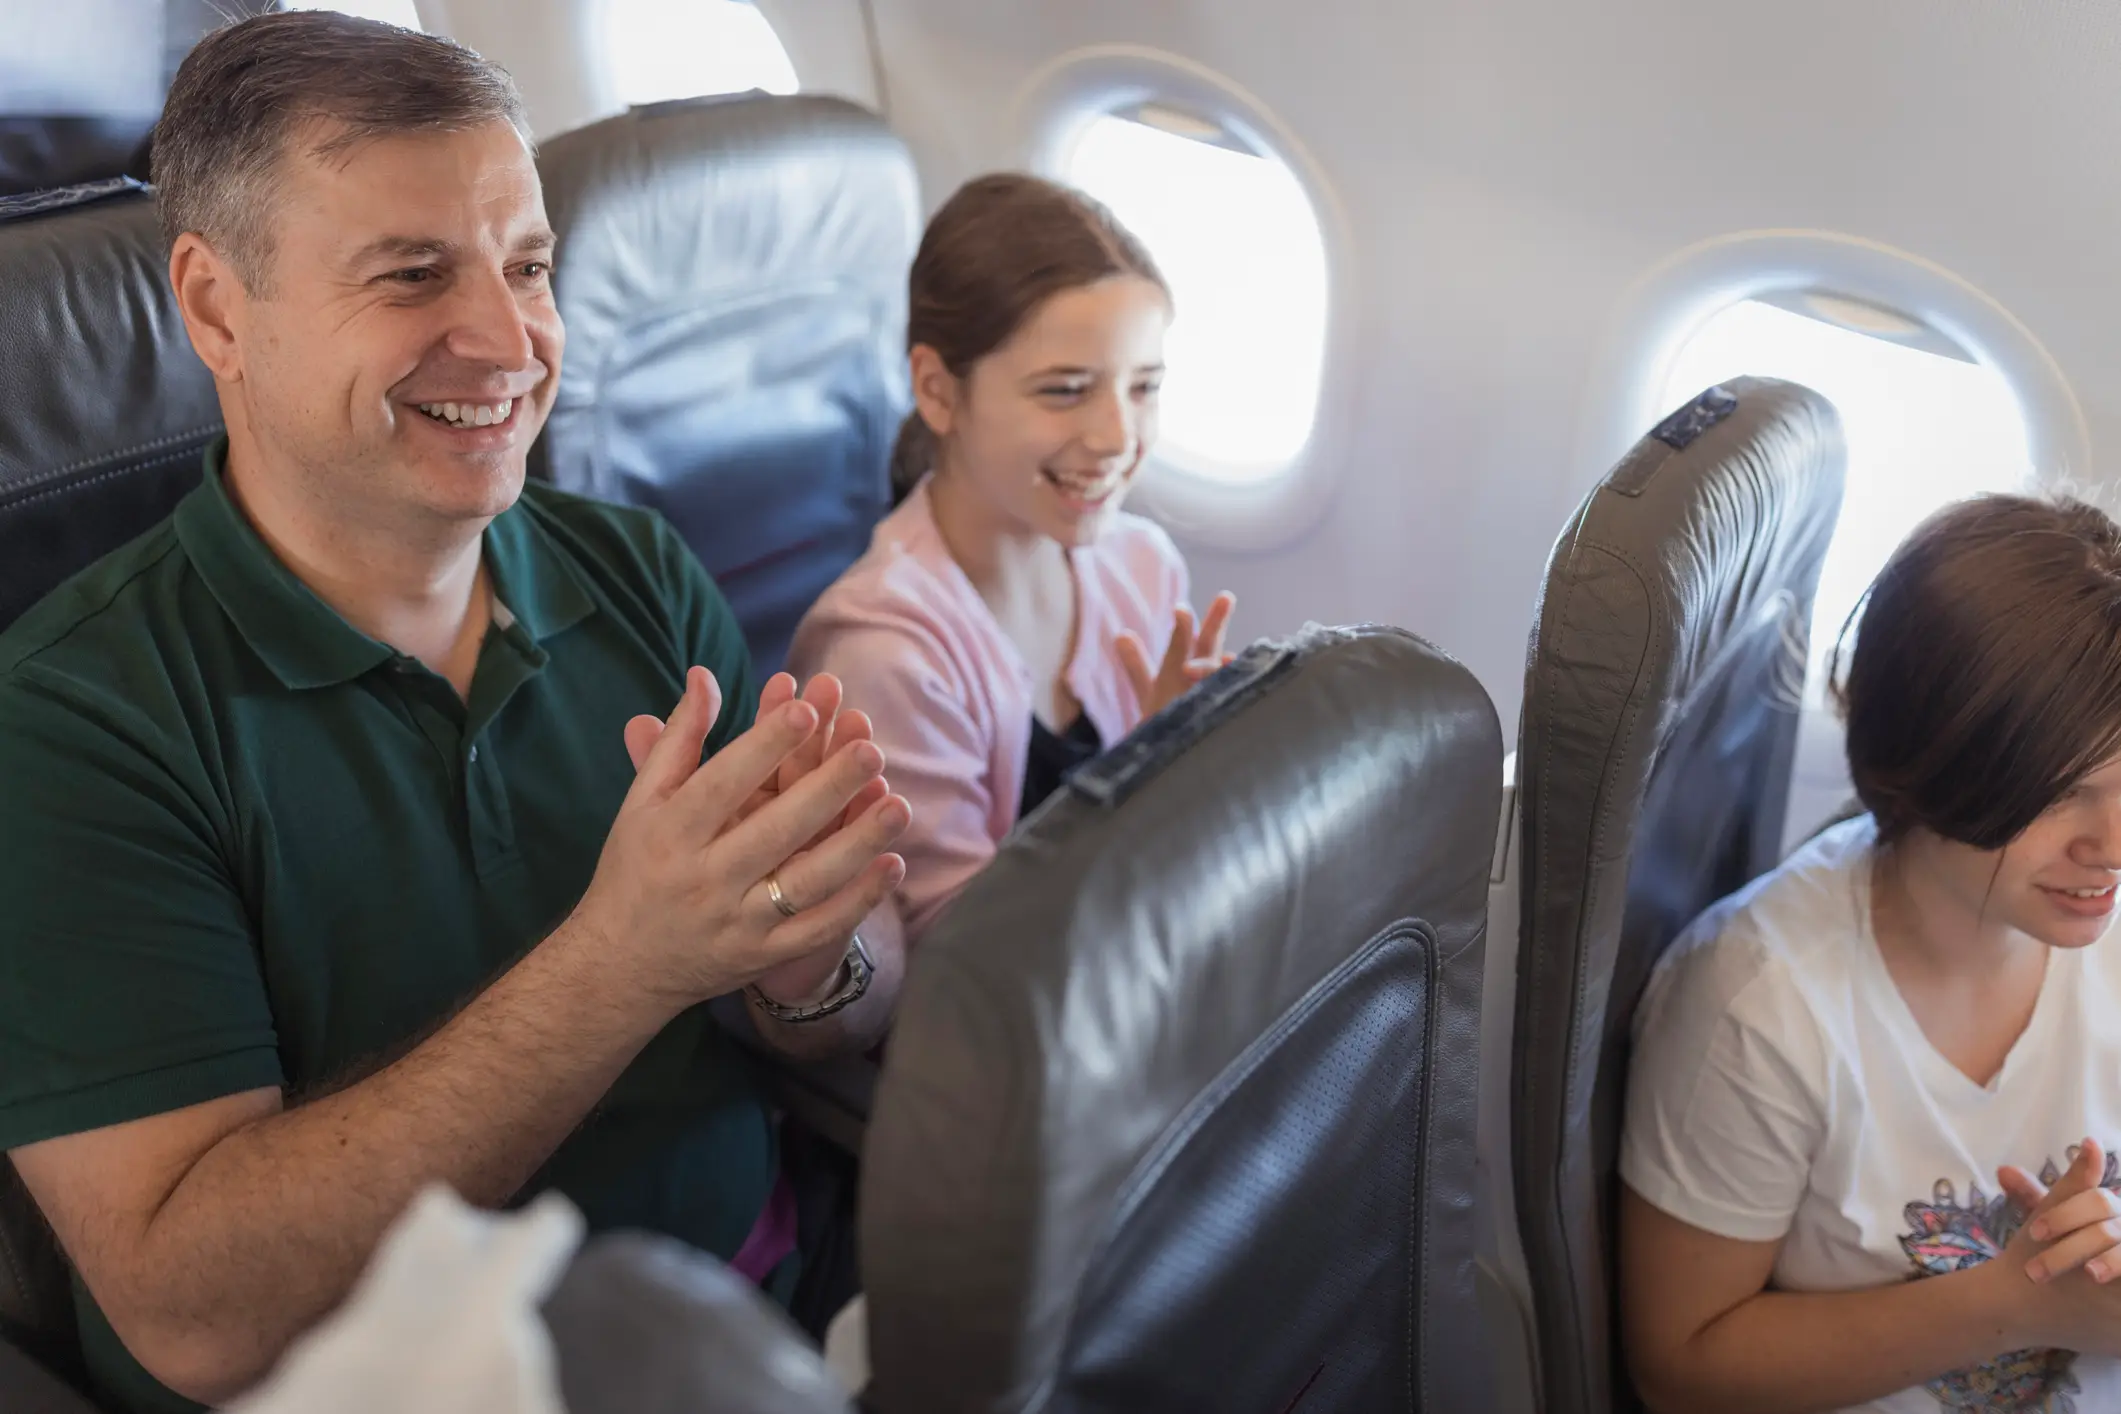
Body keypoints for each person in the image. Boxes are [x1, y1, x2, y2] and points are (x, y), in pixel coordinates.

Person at [0, 14, 908, 1412]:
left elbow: (841, 997)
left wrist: (812, 961)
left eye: (528, 265)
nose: (509, 340)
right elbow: (191, 1312)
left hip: (758, 1308)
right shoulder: (72, 723)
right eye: (413, 274)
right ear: (218, 309)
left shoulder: (637, 569)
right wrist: (624, 960)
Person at [1620, 494, 2121, 1413]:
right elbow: (1679, 1369)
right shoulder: (1759, 1004)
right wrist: (2018, 1306)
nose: (2113, 846)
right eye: (2062, 792)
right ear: (1934, 763)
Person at [785, 173, 1235, 943]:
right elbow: (968, 956)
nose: (1116, 437)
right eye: (1065, 391)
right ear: (937, 391)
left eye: (1143, 388)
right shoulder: (886, 655)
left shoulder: (1143, 568)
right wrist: (1153, 790)